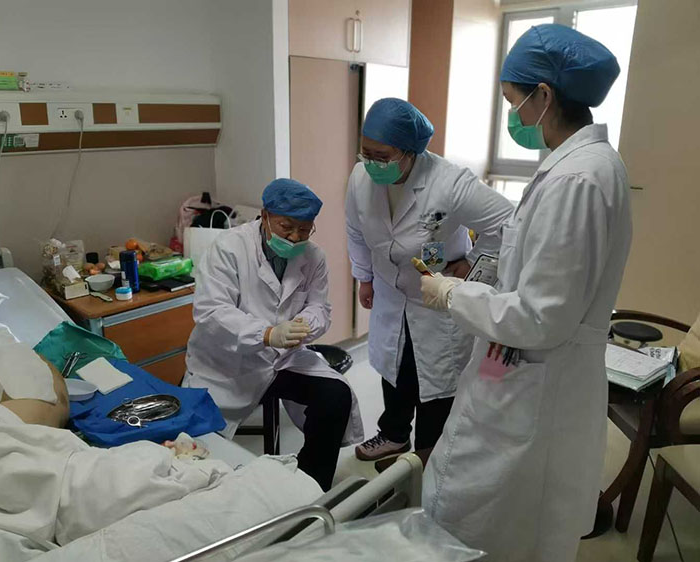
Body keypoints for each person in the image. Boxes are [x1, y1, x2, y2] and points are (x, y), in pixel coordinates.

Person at [420, 24, 631, 562]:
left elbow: (542, 317)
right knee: (494, 504)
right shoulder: (577, 168)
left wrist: (452, 294)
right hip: (517, 366)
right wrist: (486, 277)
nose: (512, 115)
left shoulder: (576, 181)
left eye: (513, 101)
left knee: (478, 510)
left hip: (533, 378)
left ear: (544, 95)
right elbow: (541, 272)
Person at [346, 98, 513, 462]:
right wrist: (364, 277)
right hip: (391, 293)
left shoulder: (448, 182)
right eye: (366, 153)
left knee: (436, 380)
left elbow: (508, 223)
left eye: (381, 156)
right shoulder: (360, 179)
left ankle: (429, 456)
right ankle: (393, 435)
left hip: (436, 298)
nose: (371, 163)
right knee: (394, 368)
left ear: (409, 153)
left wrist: (472, 263)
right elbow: (355, 231)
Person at [183, 179, 363, 491]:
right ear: (265, 216)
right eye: (286, 227)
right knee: (199, 450)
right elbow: (211, 311)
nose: (295, 237)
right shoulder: (229, 248)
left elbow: (320, 307)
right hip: (227, 362)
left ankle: (309, 487)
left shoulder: (313, 257)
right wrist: (266, 334)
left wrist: (304, 324)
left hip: (284, 358)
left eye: (304, 229)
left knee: (336, 396)